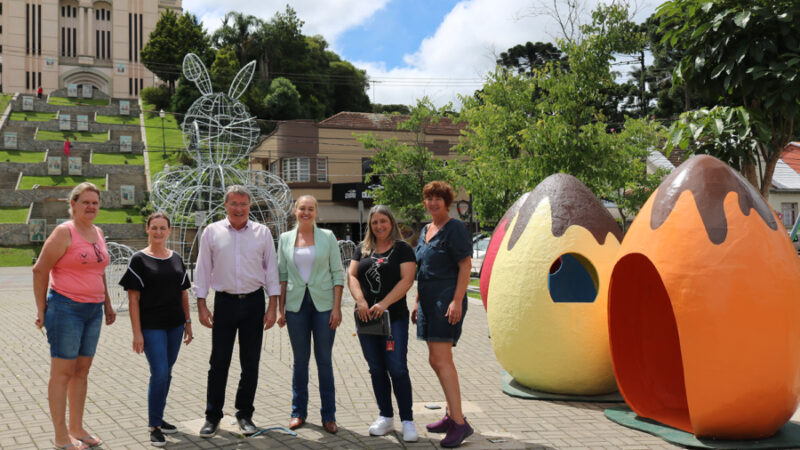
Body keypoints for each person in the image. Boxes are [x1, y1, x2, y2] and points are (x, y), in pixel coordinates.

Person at [32, 182, 116, 450]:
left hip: (93, 310)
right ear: (74, 205)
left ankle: (77, 428)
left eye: (95, 202)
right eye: (85, 202)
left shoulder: (98, 232)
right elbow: (39, 270)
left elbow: (99, 271)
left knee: (82, 371)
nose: (91, 206)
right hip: (66, 309)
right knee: (63, 372)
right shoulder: (63, 232)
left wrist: (108, 305)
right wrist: (41, 310)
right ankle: (60, 436)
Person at [194, 185, 281, 438]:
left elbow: (272, 270)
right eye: (234, 203)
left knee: (250, 362)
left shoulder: (262, 233)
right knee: (218, 362)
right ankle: (212, 416)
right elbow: (202, 269)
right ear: (226, 206)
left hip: (254, 303)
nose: (239, 208)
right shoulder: (212, 232)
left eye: (243, 204)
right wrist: (201, 304)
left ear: (249, 206)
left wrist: (272, 305)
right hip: (225, 303)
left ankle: (245, 414)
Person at [119, 212, 193, 447]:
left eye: (163, 228)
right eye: (154, 228)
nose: (159, 232)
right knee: (159, 372)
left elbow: (183, 293)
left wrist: (188, 322)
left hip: (175, 325)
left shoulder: (176, 259)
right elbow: (133, 300)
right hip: (151, 327)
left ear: (169, 231)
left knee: (167, 373)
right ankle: (154, 426)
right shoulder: (139, 260)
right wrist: (137, 333)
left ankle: (159, 418)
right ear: (147, 230)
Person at [347, 205, 418, 442]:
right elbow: (352, 276)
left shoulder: (402, 249)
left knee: (396, 368)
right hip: (367, 320)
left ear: (391, 223)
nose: (379, 226)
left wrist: (384, 303)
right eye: (375, 222)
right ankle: (385, 417)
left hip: (393, 319)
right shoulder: (362, 249)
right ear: (370, 225)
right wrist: (360, 300)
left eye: (383, 221)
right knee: (376, 369)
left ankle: (407, 420)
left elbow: (407, 280)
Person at [413, 181, 473, 448]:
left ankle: (459, 423)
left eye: (439, 198)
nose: (433, 202)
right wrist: (415, 302)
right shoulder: (426, 230)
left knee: (442, 359)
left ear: (447, 203)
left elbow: (465, 266)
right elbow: (422, 268)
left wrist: (457, 301)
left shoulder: (455, 229)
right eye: (429, 198)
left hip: (446, 302)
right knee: (435, 360)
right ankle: (451, 415)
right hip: (426, 303)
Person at [277, 195, 344, 434]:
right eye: (302, 208)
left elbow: (338, 273)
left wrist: (337, 307)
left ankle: (329, 416)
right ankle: (298, 412)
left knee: (324, 361)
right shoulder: (285, 239)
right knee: (300, 361)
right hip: (295, 306)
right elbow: (282, 276)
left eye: (310, 209)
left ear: (316, 211)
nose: (306, 212)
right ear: (295, 211)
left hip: (324, 305)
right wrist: (280, 310)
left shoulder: (327, 237)